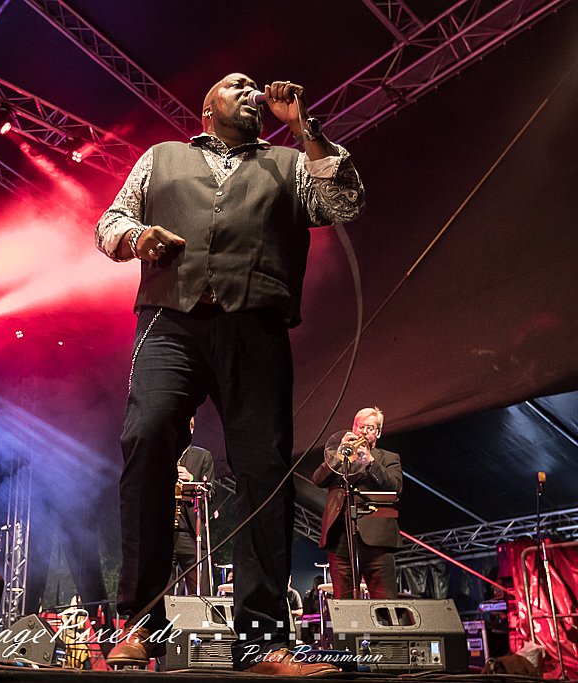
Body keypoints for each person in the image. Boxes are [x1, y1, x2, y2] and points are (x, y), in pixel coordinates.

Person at [96, 71, 364, 675]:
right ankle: (140, 623)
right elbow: (106, 225)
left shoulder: (289, 163)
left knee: (264, 468)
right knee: (145, 440)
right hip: (171, 321)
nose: (250, 90)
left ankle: (263, 643)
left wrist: (305, 128)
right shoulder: (161, 158)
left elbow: (346, 201)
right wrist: (138, 239)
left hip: (255, 326)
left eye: (254, 88)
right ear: (206, 107)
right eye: (234, 85)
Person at [312, 407, 402, 599]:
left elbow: (395, 488)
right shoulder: (339, 457)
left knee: (385, 602)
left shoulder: (389, 458)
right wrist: (338, 454)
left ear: (378, 432)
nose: (363, 432)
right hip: (340, 537)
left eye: (369, 428)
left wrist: (370, 462)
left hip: (377, 539)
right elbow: (318, 480)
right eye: (359, 427)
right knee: (345, 607)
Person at [172, 418, 214, 595]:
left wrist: (190, 479)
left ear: (191, 429)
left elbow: (210, 494)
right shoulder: (161, 454)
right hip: (163, 534)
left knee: (199, 592)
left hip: (190, 533)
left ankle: (200, 622)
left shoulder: (202, 456)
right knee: (160, 594)